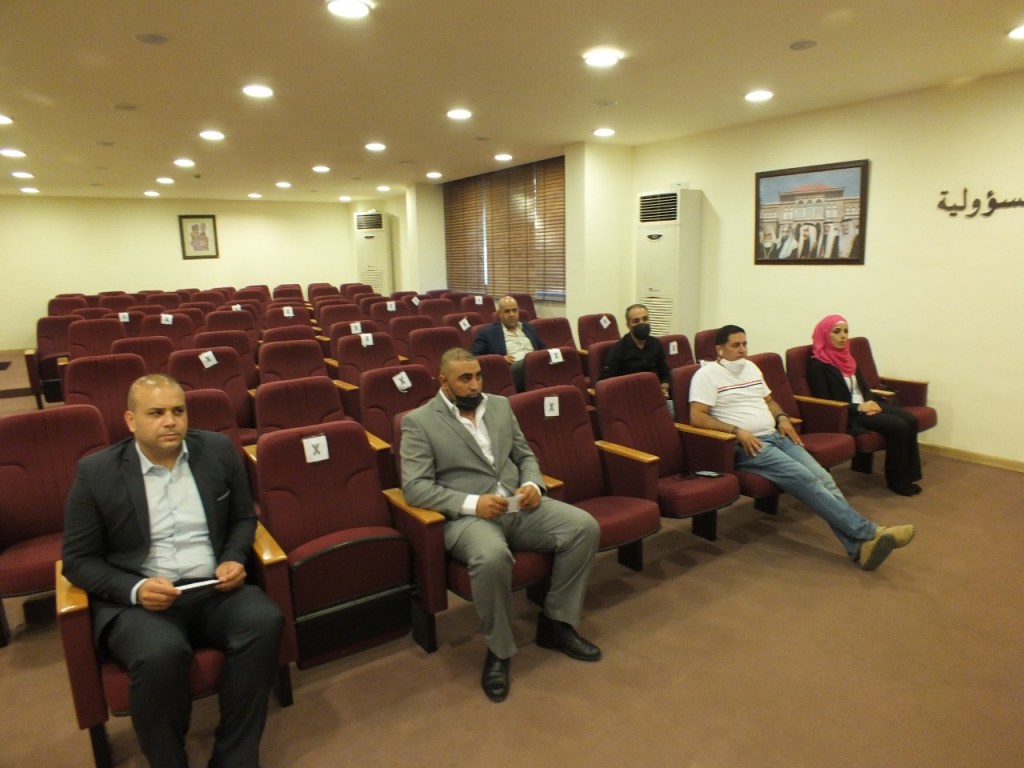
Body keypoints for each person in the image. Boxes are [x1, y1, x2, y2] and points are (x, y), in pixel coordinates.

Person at [62, 374, 284, 768]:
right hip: (141, 603)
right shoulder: (97, 473)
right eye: (156, 413)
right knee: (159, 654)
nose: (170, 421)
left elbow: (243, 517)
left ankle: (234, 756)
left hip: (214, 588)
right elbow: (77, 560)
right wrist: (135, 589)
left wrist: (234, 556)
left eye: (178, 411)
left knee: (264, 620)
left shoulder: (216, 450)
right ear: (131, 421)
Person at [400, 348, 601, 703]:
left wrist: (532, 484)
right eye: (465, 378)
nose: (475, 384)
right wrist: (472, 503)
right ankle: (500, 650)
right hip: (468, 517)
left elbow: (524, 455)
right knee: (492, 556)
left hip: (517, 505)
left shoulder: (500, 405)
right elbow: (415, 487)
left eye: (478, 376)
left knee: (584, 527)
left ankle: (556, 623)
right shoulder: (419, 422)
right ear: (443, 381)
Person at [689, 325, 915, 571]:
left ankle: (859, 547)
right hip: (749, 445)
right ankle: (870, 532)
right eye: (735, 345)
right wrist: (736, 431)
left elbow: (769, 401)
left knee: (824, 479)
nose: (742, 350)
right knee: (805, 478)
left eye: (744, 344)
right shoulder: (707, 375)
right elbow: (697, 417)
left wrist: (782, 417)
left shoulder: (751, 368)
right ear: (719, 349)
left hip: (777, 435)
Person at [807, 315, 923, 496]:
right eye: (837, 332)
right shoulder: (818, 365)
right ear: (825, 335)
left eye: (846, 331)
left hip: (865, 405)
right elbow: (826, 401)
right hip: (848, 414)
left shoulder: (848, 357)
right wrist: (860, 408)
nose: (843, 336)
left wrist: (871, 402)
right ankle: (897, 481)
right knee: (899, 426)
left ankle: (909, 476)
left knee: (910, 419)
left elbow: (864, 388)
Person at [599, 303, 673, 414]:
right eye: (636, 321)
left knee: (676, 411)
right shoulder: (618, 349)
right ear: (628, 326)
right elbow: (605, 381)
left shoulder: (656, 344)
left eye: (645, 319)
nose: (642, 323)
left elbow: (665, 374)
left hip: (654, 398)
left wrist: (664, 388)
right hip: (629, 402)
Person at [471, 295, 545, 391]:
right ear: (499, 313)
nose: (512, 314)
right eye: (507, 311)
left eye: (514, 310)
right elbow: (475, 358)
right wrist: (499, 360)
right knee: (528, 362)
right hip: (512, 371)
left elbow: (543, 348)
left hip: (536, 366)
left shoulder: (528, 327)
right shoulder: (487, 332)